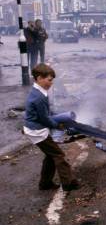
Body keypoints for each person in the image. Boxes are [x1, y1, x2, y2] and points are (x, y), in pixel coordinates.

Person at [24, 63, 80, 191]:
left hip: (34, 128)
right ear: (39, 78)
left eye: (52, 80)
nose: (51, 83)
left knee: (50, 155)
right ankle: (69, 183)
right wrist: (58, 126)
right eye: (49, 80)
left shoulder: (38, 91)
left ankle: (45, 183)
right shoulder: (39, 97)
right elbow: (44, 118)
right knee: (58, 155)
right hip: (37, 131)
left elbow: (45, 113)